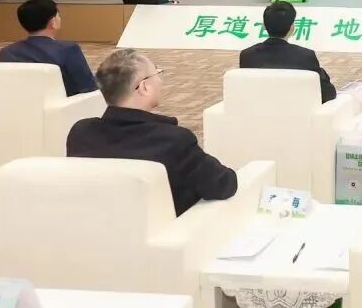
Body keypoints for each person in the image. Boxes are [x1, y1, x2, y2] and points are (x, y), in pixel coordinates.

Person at [67, 49, 237, 216]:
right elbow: (223, 184)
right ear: (144, 87)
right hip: (170, 228)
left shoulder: (80, 133)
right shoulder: (174, 140)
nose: (160, 81)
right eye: (157, 73)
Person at [239, 1, 337, 102]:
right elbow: (328, 93)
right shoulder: (305, 56)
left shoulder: (247, 55)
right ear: (292, 28)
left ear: (264, 26)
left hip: (257, 109)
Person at [0, 0, 98, 97]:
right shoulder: (68, 49)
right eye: (58, 15)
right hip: (63, 103)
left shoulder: (7, 52)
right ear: (53, 22)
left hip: (23, 103)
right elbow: (88, 87)